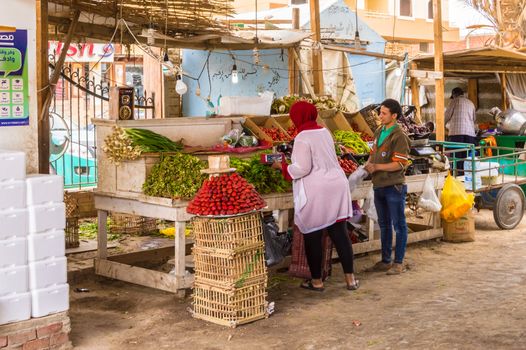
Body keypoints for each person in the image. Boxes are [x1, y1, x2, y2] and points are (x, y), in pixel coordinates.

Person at [273, 101, 358, 291]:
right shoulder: (324, 131)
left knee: (313, 234)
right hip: (337, 184)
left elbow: (302, 168)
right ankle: (350, 280)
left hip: (318, 189)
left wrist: (283, 167)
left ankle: (317, 281)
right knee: (340, 233)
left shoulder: (303, 137)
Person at [364, 99, 411, 275]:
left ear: (394, 116)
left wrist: (377, 167)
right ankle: (385, 260)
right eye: (380, 112)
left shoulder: (400, 136)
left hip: (394, 186)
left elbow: (400, 164)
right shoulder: (379, 131)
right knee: (384, 224)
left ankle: (398, 262)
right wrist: (366, 166)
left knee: (399, 225)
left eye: (384, 113)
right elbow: (372, 154)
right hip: (379, 185)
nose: (380, 116)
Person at [445, 87, 477, 174]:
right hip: (470, 134)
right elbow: (474, 119)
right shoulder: (471, 103)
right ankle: (466, 174)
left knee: (457, 155)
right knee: (467, 156)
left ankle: (457, 175)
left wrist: (442, 125)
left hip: (457, 133)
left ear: (454, 95)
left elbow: (446, 116)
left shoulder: (454, 101)